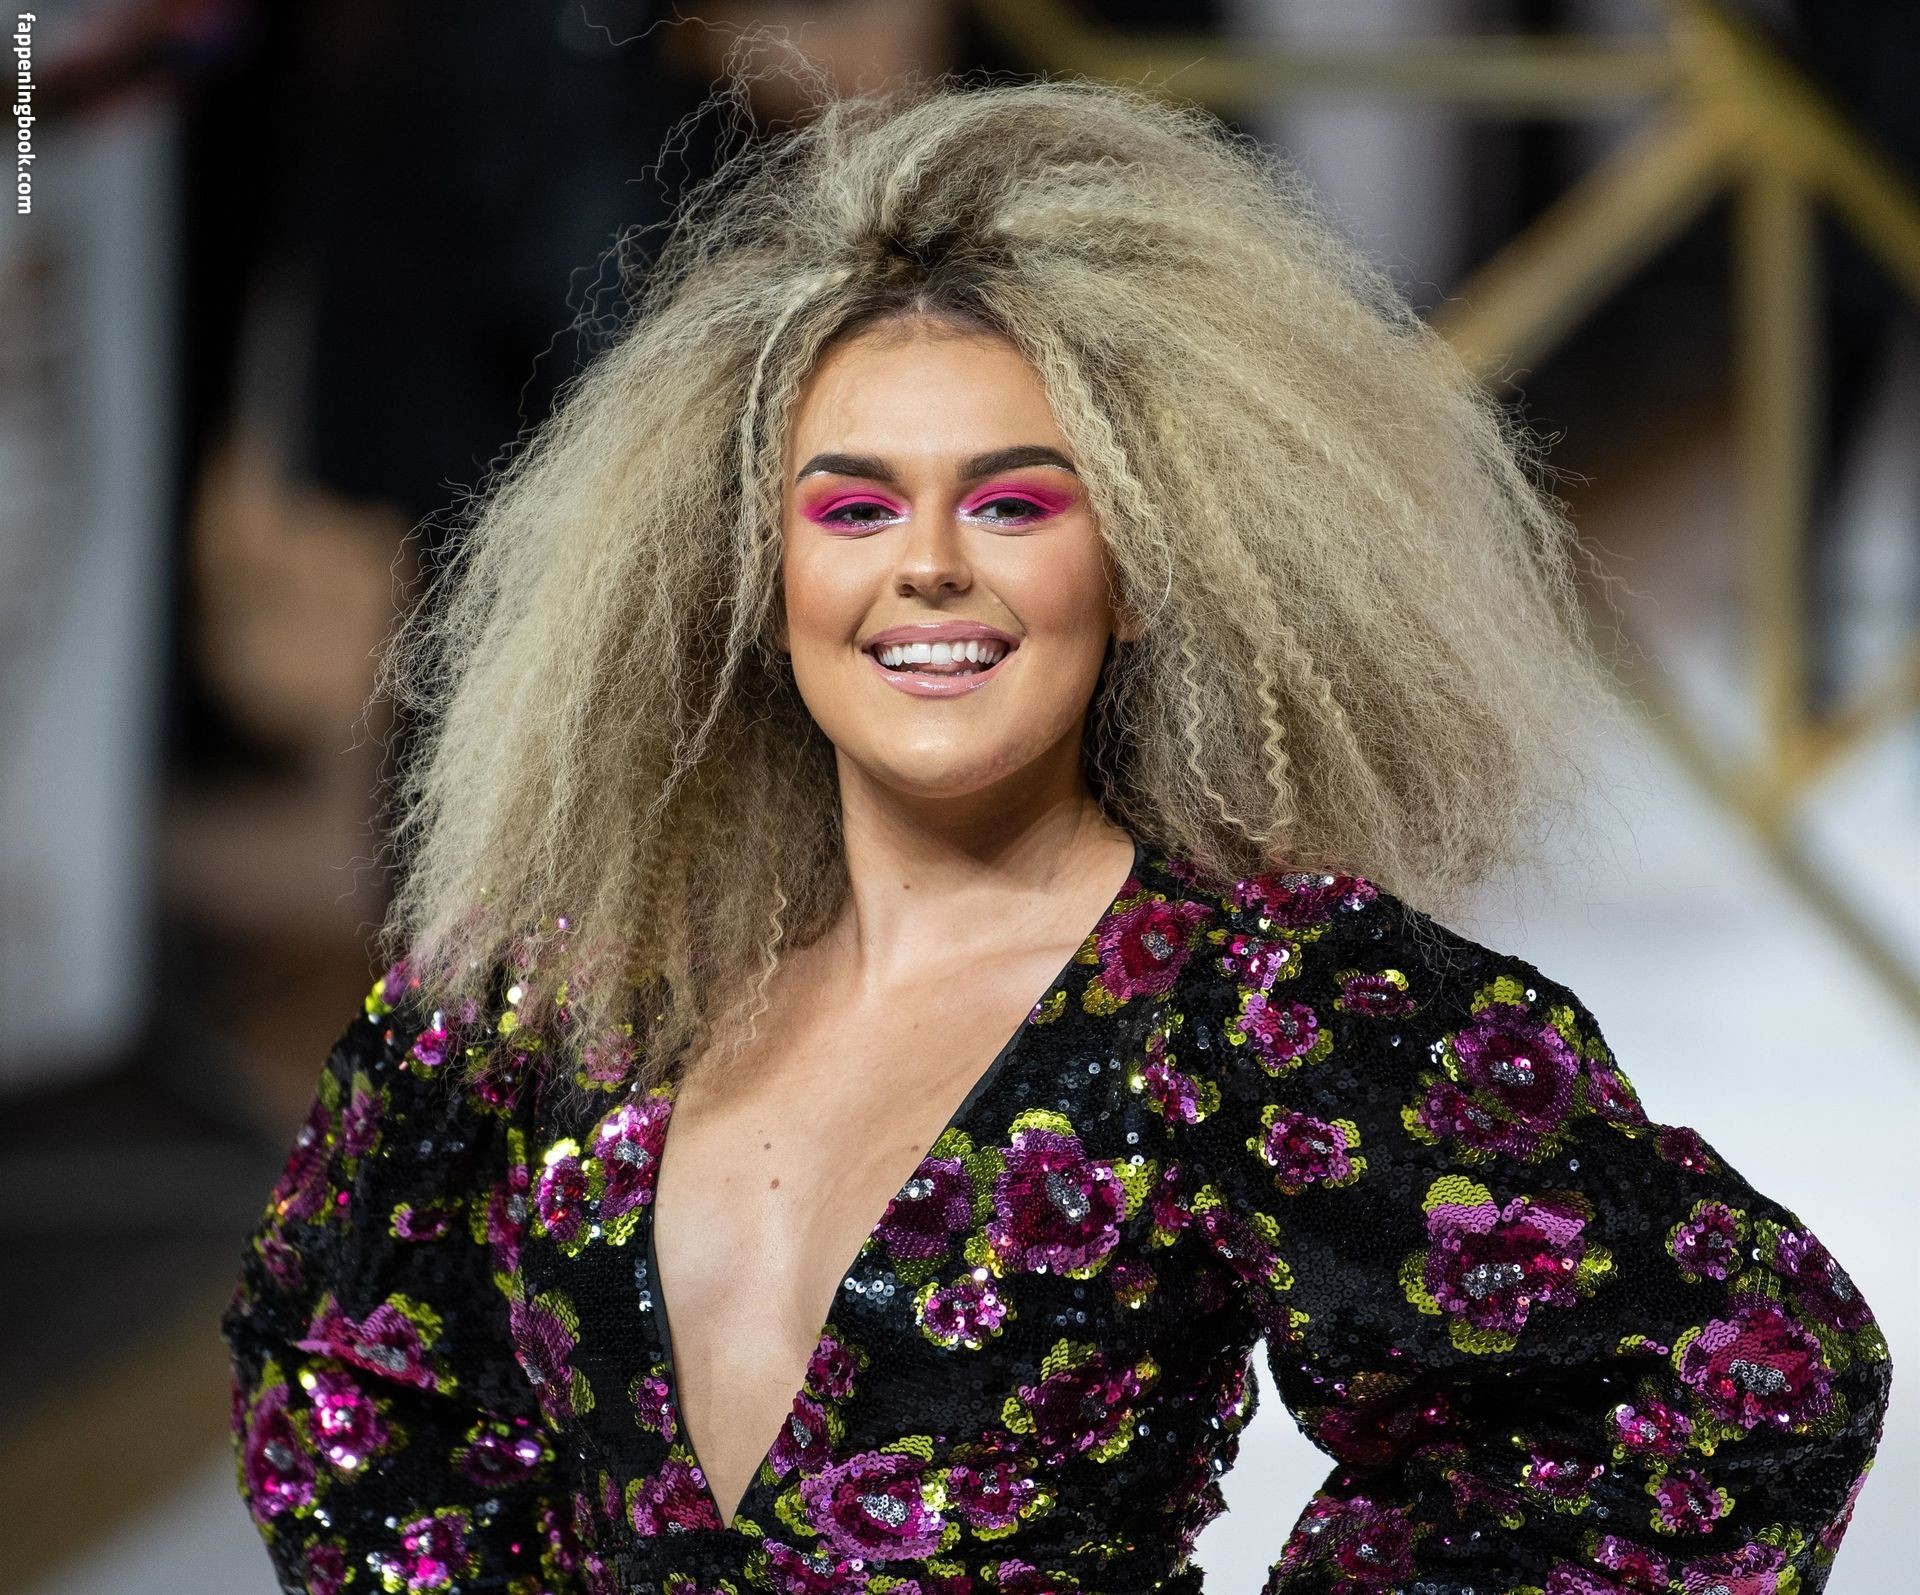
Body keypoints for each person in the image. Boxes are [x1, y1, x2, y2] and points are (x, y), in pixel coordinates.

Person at [219, 74, 1891, 1595]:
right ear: (753, 571)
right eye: (854, 506)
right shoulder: (570, 977)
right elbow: (348, 1368)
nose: (929, 565)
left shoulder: (1252, 1009)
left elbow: (1739, 1383)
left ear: (1143, 568)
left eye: (1014, 502)